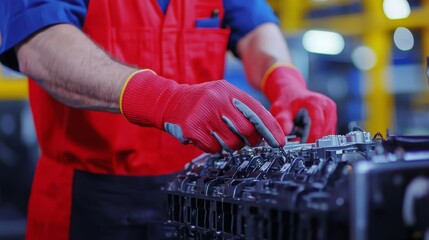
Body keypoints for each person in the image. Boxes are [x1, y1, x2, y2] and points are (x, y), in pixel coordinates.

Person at [0, 0, 337, 239]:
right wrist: (162, 98)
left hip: (200, 195)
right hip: (86, 199)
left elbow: (255, 28)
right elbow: (40, 45)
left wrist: (284, 79)